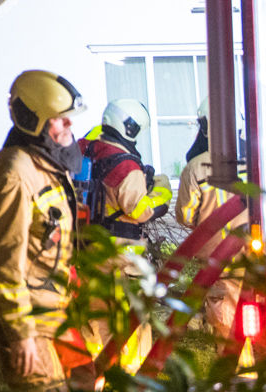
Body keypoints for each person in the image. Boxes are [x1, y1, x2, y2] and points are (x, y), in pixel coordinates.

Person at [0, 70, 86, 392]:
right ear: (33, 120)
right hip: (22, 313)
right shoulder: (16, 175)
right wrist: (21, 336)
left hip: (48, 304)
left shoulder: (44, 165)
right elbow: (4, 262)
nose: (70, 124)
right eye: (60, 119)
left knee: (84, 379)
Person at [81, 98, 173, 372]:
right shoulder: (125, 166)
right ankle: (132, 378)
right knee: (133, 319)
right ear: (129, 128)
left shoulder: (86, 151)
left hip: (89, 249)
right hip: (123, 256)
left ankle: (93, 375)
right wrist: (161, 190)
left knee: (95, 316)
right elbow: (140, 210)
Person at [175, 99, 247, 338]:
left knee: (228, 329)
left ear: (206, 126)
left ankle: (235, 364)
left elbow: (186, 216)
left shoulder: (195, 168)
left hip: (217, 261)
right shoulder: (258, 161)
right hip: (255, 257)